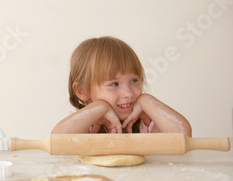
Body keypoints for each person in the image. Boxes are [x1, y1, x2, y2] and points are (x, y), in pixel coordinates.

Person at [52, 36, 192, 136]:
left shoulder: (144, 122)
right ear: (83, 91)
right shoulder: (85, 122)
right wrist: (100, 108)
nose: (128, 93)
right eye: (114, 84)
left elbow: (183, 135)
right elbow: (56, 140)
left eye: (134, 81)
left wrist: (146, 100)